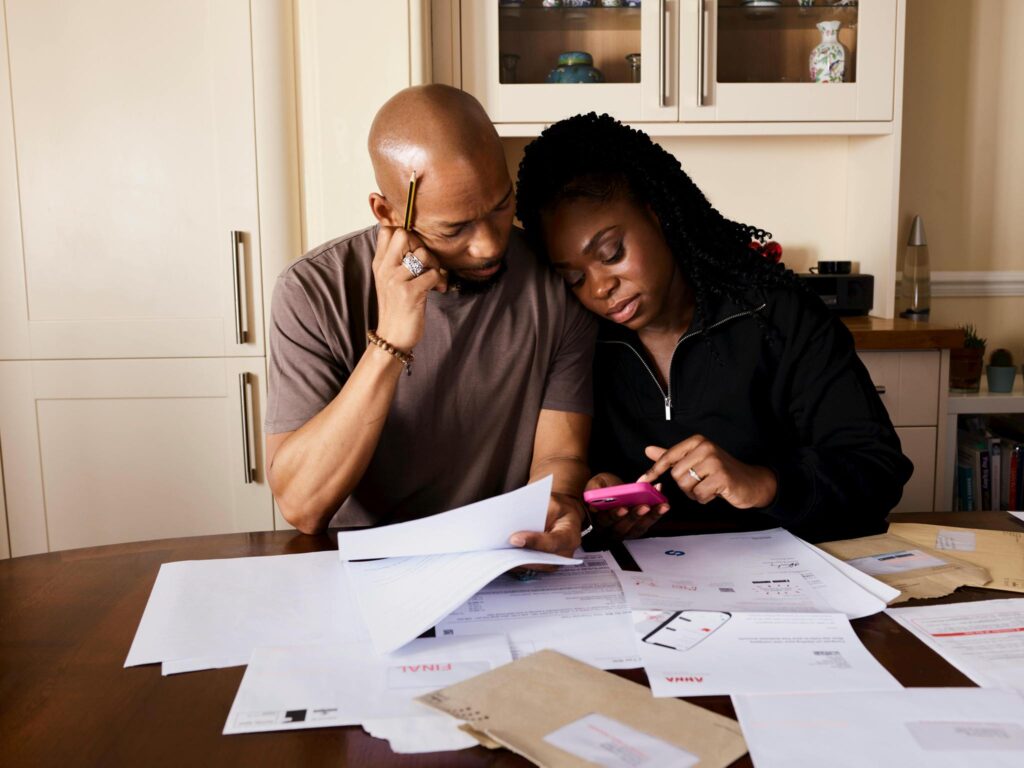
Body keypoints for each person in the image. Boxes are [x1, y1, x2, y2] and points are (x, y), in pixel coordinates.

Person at [515, 113, 912, 543]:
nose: (599, 288)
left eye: (612, 253)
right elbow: (566, 473)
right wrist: (598, 497)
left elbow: (878, 472)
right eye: (573, 278)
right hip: (640, 587)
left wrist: (762, 483)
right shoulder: (579, 341)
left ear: (658, 214)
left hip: (784, 578)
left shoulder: (777, 315)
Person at [263, 85, 595, 561]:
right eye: (454, 228)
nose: (488, 246)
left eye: (501, 206)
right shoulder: (312, 291)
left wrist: (560, 506)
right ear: (387, 213)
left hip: (500, 557)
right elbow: (302, 506)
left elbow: (559, 456)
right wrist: (392, 338)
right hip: (360, 566)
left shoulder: (555, 281)